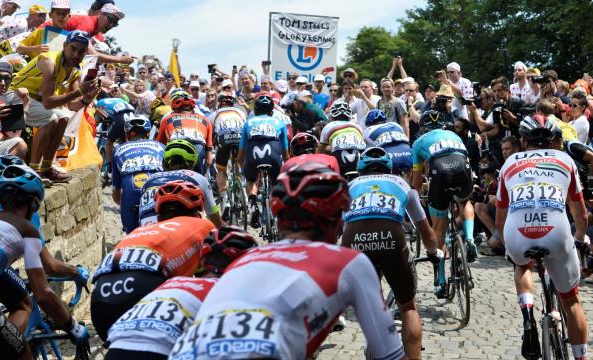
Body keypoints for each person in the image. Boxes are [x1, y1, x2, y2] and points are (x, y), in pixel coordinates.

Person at [168, 162, 406, 360]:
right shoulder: (349, 261)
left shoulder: (246, 258)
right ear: (338, 223)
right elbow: (389, 354)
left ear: (279, 221)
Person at [495, 115, 589, 360]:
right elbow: (580, 213)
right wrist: (580, 237)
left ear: (523, 141)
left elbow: (499, 219)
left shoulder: (509, 163)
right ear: (554, 140)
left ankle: (528, 316)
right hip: (556, 231)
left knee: (522, 265)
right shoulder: (564, 160)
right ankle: (581, 356)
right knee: (571, 301)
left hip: (518, 233)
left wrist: (509, 248)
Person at [342, 147, 441, 359]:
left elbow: (336, 229)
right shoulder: (401, 184)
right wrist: (433, 252)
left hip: (354, 240)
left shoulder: (349, 186)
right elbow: (427, 233)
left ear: (360, 169)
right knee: (408, 307)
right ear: (389, 168)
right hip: (391, 238)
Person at [0, 165, 89, 360]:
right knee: (20, 352)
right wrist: (72, 327)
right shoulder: (27, 230)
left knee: (21, 302)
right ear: (33, 203)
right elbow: (44, 294)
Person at [105, 226, 258, 360]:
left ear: (203, 263)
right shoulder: (225, 290)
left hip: (115, 347)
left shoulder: (173, 282)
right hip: (158, 352)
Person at [91, 179, 215, 342]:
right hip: (145, 288)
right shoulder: (201, 225)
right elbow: (210, 283)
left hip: (100, 300)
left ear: (159, 215)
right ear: (195, 213)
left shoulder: (140, 230)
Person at [10, 30, 99, 182]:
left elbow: (71, 106)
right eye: (73, 48)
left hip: (34, 100)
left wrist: (86, 99)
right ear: (64, 46)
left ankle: (46, 168)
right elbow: (48, 102)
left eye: (81, 51)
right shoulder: (49, 62)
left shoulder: (76, 69)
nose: (76, 54)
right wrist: (79, 92)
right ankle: (33, 171)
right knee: (50, 118)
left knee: (63, 117)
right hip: (15, 95)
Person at [412, 119, 477, 297]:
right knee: (464, 202)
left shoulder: (418, 143)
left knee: (439, 229)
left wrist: (420, 194)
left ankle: (440, 280)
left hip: (439, 170)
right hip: (461, 164)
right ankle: (470, 239)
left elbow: (416, 184)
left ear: (423, 129)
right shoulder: (453, 134)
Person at [138, 139, 223, 228]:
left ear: (165, 162)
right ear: (192, 164)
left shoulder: (149, 180)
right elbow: (216, 219)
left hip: (147, 231)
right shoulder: (198, 178)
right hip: (182, 232)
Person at [237, 95, 289, 228]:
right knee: (277, 181)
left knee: (251, 179)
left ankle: (253, 204)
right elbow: (285, 152)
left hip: (253, 155)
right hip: (274, 154)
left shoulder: (248, 123)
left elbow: (242, 149)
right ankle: (277, 204)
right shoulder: (279, 123)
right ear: (272, 112)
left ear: (255, 111)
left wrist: (241, 164)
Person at [111, 115, 164, 233]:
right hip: (157, 190)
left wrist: (123, 204)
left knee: (131, 233)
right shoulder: (160, 146)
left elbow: (116, 193)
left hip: (130, 191)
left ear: (127, 134)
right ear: (147, 133)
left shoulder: (118, 149)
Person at [0, 61, 29, 169]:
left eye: (7, 79)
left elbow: (14, 135)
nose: (3, 82)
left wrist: (26, 104)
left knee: (19, 143)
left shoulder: (2, 105)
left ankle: (2, 180)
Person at [156, 91, 213, 174]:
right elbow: (209, 150)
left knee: (170, 175)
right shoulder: (204, 119)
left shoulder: (167, 118)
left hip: (175, 147)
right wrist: (207, 164)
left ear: (174, 108)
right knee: (198, 179)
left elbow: (159, 144)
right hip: (197, 148)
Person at [209, 92, 245, 218]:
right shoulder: (240, 112)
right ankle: (243, 193)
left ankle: (225, 199)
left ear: (220, 103)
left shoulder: (215, 113)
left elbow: (209, 131)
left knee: (221, 170)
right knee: (239, 163)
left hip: (224, 139)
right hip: (240, 139)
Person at [318, 102, 366, 179]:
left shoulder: (328, 126)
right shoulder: (357, 126)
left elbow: (320, 150)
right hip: (360, 157)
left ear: (332, 116)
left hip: (340, 157)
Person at [363, 109, 413, 175]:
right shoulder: (396, 125)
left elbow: (366, 151)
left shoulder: (368, 130)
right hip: (409, 154)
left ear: (369, 123)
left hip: (391, 158)